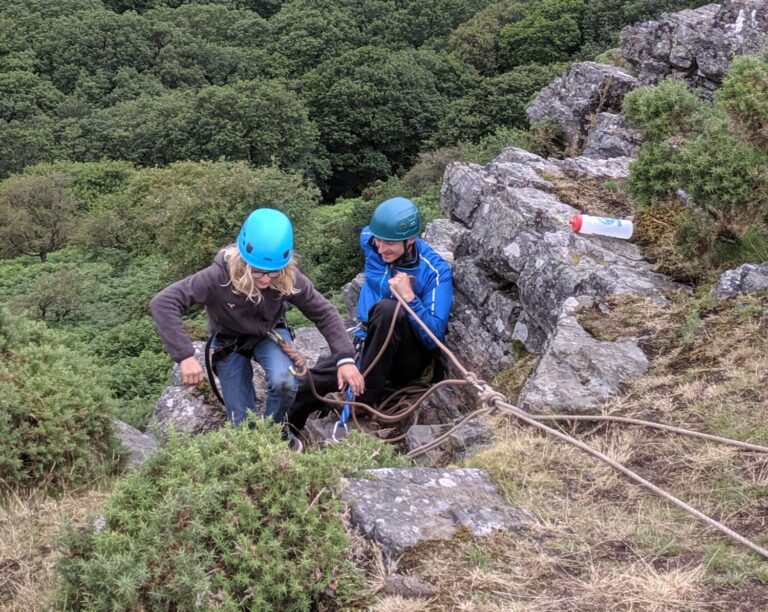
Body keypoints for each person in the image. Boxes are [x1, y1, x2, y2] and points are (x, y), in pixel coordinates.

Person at [150, 208, 365, 449]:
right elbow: (164, 302)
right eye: (257, 271)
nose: (265, 280)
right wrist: (185, 355)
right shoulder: (216, 277)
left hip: (269, 334)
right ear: (243, 258)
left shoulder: (287, 276)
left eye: (273, 273)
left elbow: (323, 312)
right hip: (228, 342)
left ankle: (275, 433)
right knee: (242, 425)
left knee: (285, 384)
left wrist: (345, 358)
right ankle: (254, 447)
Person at [287, 196, 453, 432]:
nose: (381, 248)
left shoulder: (435, 272)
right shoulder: (369, 240)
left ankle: (362, 402)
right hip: (365, 341)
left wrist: (410, 299)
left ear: (411, 240)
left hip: (405, 359)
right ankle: (283, 436)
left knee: (388, 309)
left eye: (390, 244)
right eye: (379, 241)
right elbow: (371, 236)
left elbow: (434, 337)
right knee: (308, 385)